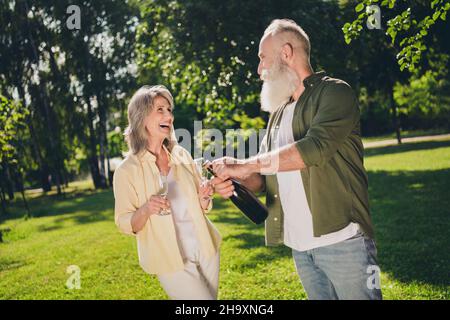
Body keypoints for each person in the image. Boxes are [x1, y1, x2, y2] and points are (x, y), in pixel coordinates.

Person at [211, 19, 382, 300]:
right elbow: (264, 179)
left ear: (286, 53)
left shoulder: (335, 92)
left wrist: (247, 164)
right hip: (300, 248)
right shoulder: (279, 112)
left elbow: (314, 149)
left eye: (262, 58)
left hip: (344, 241)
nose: (259, 69)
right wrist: (237, 176)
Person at [113, 85, 221, 300]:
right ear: (141, 117)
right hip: (169, 259)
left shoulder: (180, 154)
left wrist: (204, 197)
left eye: (169, 110)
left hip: (206, 248)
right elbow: (124, 222)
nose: (169, 116)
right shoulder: (127, 171)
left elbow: (202, 205)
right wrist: (146, 209)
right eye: (160, 110)